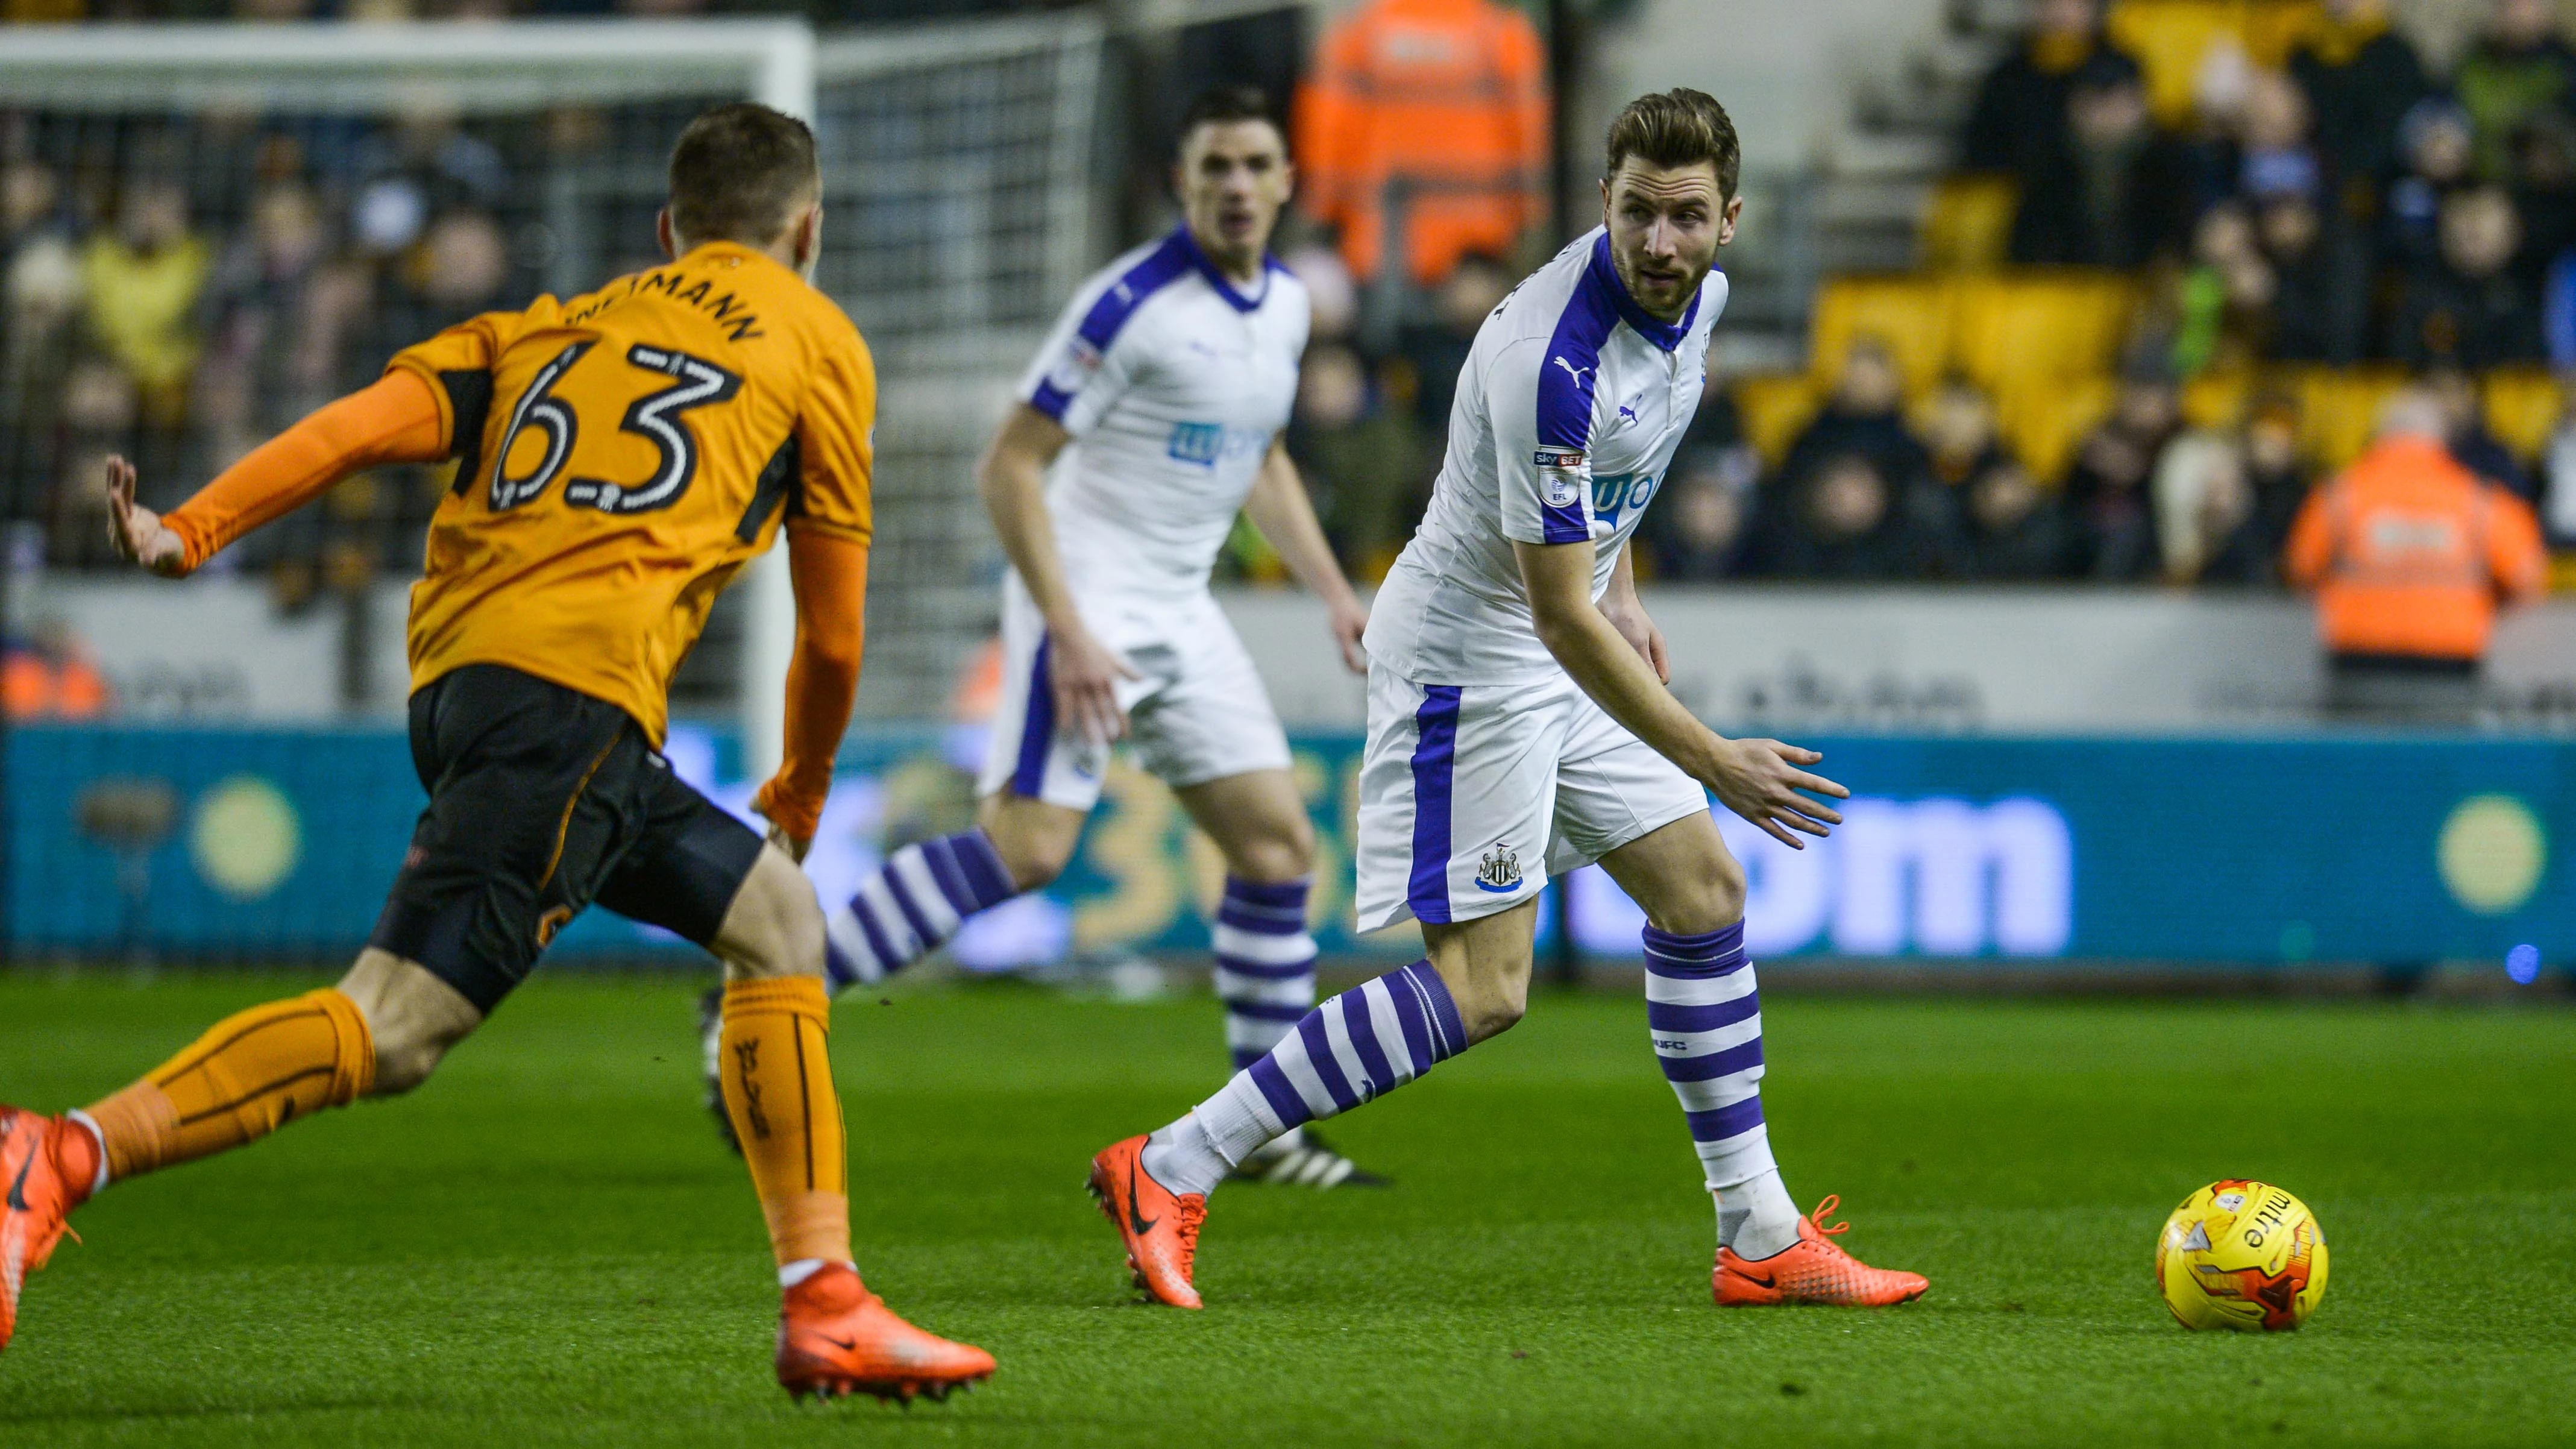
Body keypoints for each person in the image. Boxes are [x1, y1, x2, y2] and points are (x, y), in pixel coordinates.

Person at [0, 104, 994, 1403]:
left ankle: (828, 1302)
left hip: (473, 690)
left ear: (664, 231)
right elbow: (836, 630)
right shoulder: (816, 340)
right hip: (568, 704)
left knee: (778, 923)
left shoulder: (541, 327)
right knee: (393, 1027)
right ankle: (60, 1152)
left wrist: (194, 525)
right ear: (807, 230)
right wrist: (803, 778)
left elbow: (356, 424)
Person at [1084, 89, 1927, 1312]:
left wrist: (1623, 575)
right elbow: (1554, 617)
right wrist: (1711, 756)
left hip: (1559, 625)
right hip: (1469, 659)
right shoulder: (1553, 357)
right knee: (1485, 989)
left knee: (1702, 889)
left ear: (1729, 221)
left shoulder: (1700, 305)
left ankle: (1757, 1233)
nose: (1660, 242)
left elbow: (1614, 499)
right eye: (1636, 211)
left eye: (1686, 217)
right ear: (1603, 204)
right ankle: (1170, 1161)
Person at [736, 88, 1384, 1190]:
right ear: (1182, 183)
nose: (1234, 185)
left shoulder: (1280, 307)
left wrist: (1331, 588)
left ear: (1286, 183)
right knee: (1028, 850)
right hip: (1082, 602)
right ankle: (766, 993)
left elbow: (1258, 454)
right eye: (1213, 165)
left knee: (1279, 849)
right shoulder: (1127, 302)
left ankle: (1266, 1131)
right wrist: (1069, 628)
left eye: (1253, 165)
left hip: (1181, 607)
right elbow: (1008, 465)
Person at [2285, 388, 2547, 723]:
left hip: (2358, 657)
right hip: (2450, 657)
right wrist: (2482, 605)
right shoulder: (2482, 502)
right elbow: (2527, 580)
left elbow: (2301, 570)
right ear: (2442, 439)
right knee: (2441, 765)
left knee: (2362, 764)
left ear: (2380, 435)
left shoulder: (2338, 495)